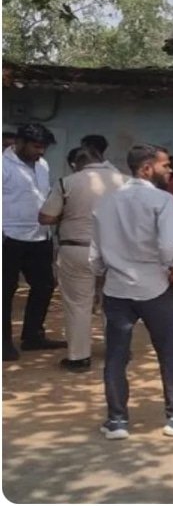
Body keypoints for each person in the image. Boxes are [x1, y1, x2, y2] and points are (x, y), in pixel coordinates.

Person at [89, 144, 173, 440]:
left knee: (116, 355)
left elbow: (95, 255)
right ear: (146, 168)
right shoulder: (162, 200)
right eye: (165, 165)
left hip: (117, 288)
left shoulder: (106, 201)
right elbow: (169, 246)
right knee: (169, 352)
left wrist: (105, 274)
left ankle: (117, 420)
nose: (170, 170)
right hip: (155, 286)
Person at [38, 144, 128, 372]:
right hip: (116, 252)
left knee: (78, 304)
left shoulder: (67, 182)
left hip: (77, 249)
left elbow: (46, 217)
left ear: (76, 164)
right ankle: (118, 350)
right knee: (114, 303)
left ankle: (79, 357)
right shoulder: (126, 182)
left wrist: (68, 215)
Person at [2, 123, 65, 361]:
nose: (41, 152)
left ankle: (32, 336)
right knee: (5, 291)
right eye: (36, 146)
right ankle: (4, 342)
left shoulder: (42, 165)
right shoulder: (3, 165)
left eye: (43, 147)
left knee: (45, 285)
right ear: (19, 142)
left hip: (39, 236)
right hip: (9, 237)